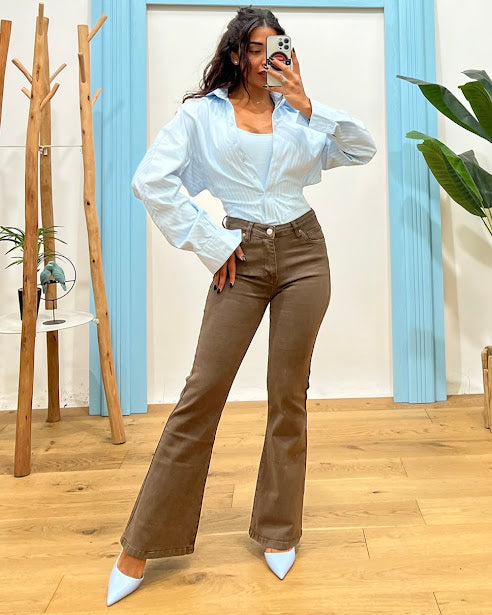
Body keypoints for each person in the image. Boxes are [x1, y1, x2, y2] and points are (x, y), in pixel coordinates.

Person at [107, 6, 376, 606]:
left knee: (288, 393)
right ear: (235, 53)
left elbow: (362, 148)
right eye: (254, 49)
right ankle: (140, 544)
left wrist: (307, 102)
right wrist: (210, 240)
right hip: (241, 256)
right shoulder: (201, 116)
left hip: (306, 255)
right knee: (201, 394)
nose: (265, 60)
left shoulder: (299, 114)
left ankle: (279, 530)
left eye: (275, 48)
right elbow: (151, 181)